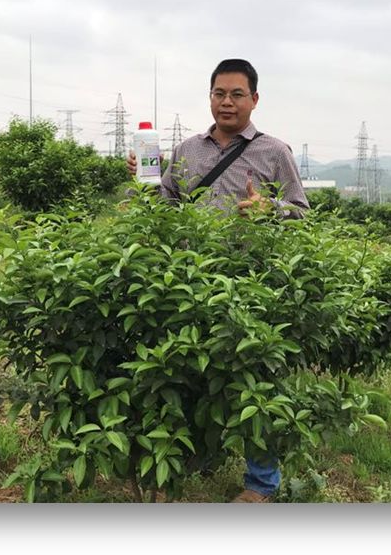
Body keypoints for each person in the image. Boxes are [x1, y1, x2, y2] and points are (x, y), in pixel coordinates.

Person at [125, 59, 310, 502]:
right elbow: (166, 203)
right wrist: (143, 180)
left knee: (256, 381)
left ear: (254, 100)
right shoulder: (188, 149)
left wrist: (271, 211)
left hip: (250, 282)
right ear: (210, 97)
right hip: (190, 282)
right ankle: (189, 462)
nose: (227, 102)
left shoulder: (275, 152)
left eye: (237, 94)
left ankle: (260, 484)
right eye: (219, 93)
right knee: (192, 375)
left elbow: (301, 213)